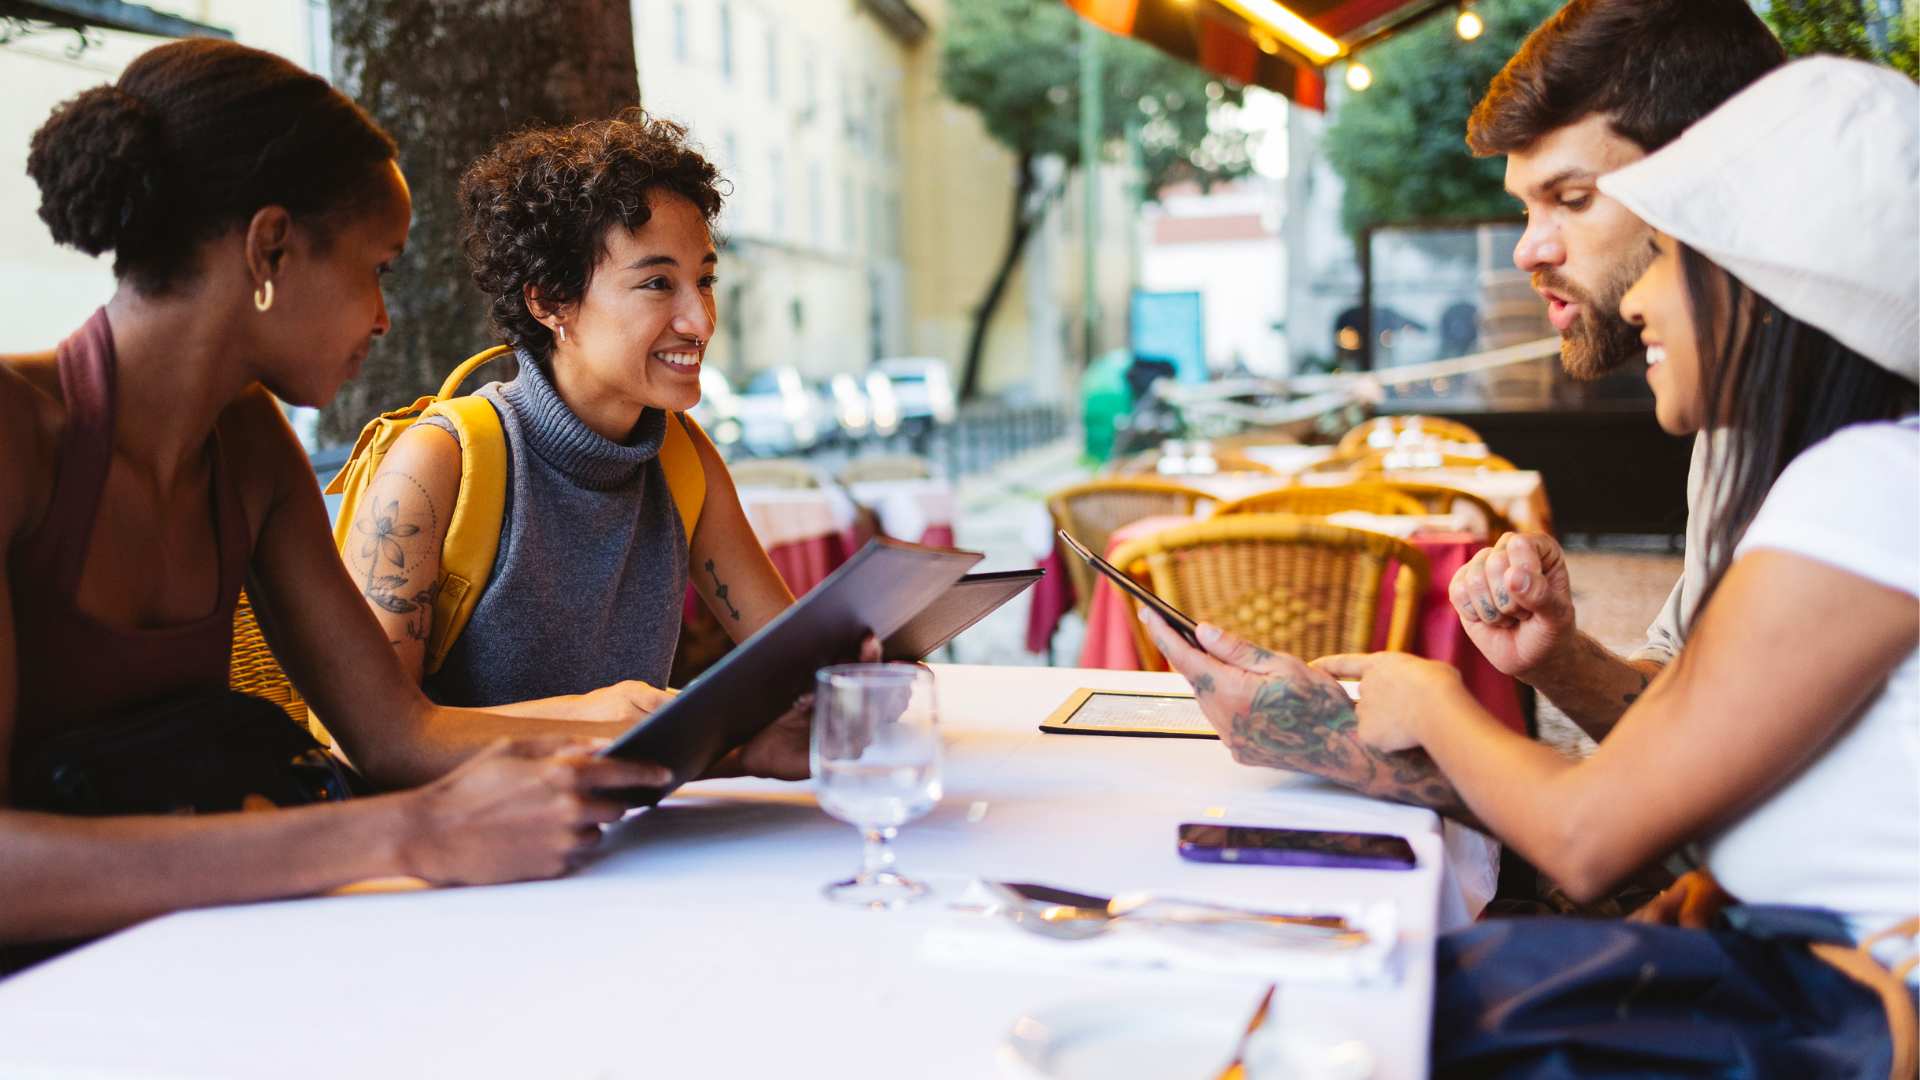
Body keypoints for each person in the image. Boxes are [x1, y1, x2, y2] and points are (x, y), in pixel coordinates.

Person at [1152, 59, 1919, 1075]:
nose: (1640, 294)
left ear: (1772, 284)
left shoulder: (1866, 486)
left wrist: (1429, 699)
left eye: (1675, 253)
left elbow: (1590, 839)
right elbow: (1737, 779)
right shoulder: (1856, 478)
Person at [0, 40, 685, 962]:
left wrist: (697, 739)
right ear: (270, 247)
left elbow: (399, 733)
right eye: (380, 269)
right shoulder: (13, 436)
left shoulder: (250, 446)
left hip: (187, 958)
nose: (383, 317)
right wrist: (407, 833)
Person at [342, 115, 806, 780]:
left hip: (618, 845)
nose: (701, 320)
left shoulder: (680, 455)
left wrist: (850, 669)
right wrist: (588, 720)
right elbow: (363, 743)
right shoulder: (441, 461)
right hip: (467, 863)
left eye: (704, 279)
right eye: (657, 283)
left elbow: (790, 662)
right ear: (551, 299)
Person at [1454, 0, 1786, 743]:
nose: (1527, 251)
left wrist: (1435, 719)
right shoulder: (1734, 427)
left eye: (1571, 200)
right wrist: (1558, 659)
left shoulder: (1870, 463)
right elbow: (1690, 718)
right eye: (1526, 209)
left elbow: (1614, 823)